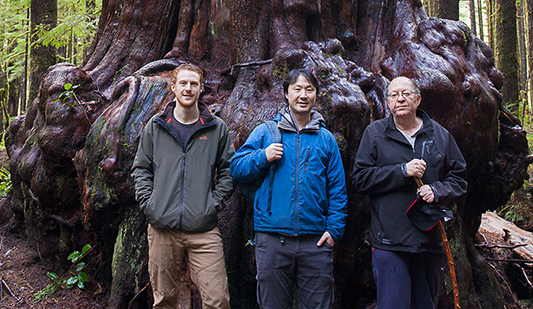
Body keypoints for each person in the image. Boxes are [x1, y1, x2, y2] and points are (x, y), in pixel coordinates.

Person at [230, 68, 347, 309]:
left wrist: (334, 231)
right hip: (272, 239)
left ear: (315, 95)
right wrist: (263, 156)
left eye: (309, 89)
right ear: (286, 93)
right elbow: (237, 168)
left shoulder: (326, 139)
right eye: (297, 89)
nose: (303, 95)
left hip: (315, 242)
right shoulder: (267, 132)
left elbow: (337, 188)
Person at [352, 76, 467, 309]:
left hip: (429, 241)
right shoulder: (375, 134)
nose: (400, 99)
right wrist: (402, 171)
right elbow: (360, 178)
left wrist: (437, 190)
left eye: (406, 93)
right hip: (389, 241)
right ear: (387, 102)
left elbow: (459, 179)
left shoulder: (439, 135)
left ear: (418, 99)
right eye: (394, 95)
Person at [132, 63, 234, 309]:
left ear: (201, 89)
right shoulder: (156, 126)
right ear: (173, 87)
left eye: (194, 84)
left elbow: (229, 171)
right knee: (164, 301)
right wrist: (150, 205)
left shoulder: (216, 128)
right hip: (162, 229)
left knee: (218, 300)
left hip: (203, 229)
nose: (188, 89)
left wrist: (212, 205)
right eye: (184, 84)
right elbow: (141, 169)